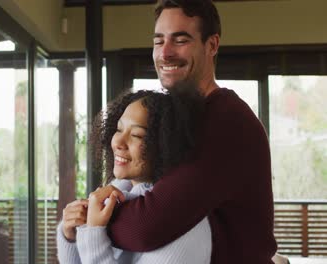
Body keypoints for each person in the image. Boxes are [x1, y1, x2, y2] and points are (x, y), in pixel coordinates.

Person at [86, 0, 278, 263]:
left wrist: (92, 219)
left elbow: (145, 227)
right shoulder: (181, 120)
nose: (165, 53)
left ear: (212, 45)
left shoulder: (226, 121)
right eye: (158, 41)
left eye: (180, 40)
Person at [57, 87, 211, 263]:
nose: (118, 142)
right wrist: (70, 236)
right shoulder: (117, 198)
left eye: (137, 135)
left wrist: (93, 233)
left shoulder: (181, 225)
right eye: (118, 129)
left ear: (166, 145)